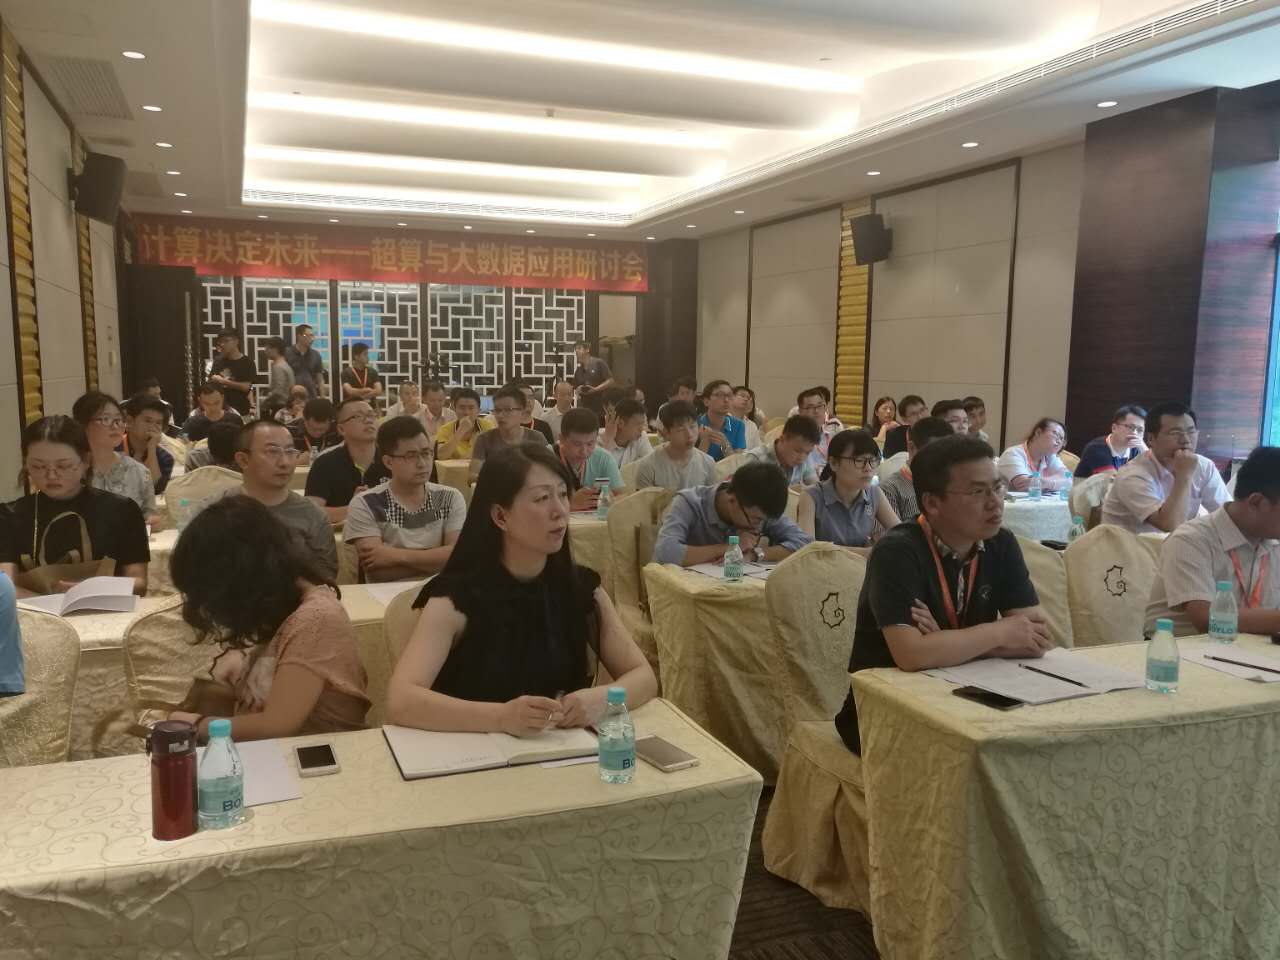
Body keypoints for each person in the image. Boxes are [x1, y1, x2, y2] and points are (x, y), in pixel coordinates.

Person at [385, 443, 656, 733]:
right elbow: (401, 701)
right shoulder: (456, 598)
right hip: (473, 749)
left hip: (564, 751)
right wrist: (501, 717)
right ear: (500, 516)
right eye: (542, 498)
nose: (560, 511)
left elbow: (643, 677)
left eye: (563, 494)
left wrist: (603, 699)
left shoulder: (580, 588)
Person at [832, 434, 1052, 754]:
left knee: (1036, 745)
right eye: (977, 491)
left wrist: (944, 641)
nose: (995, 502)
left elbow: (1037, 638)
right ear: (933, 503)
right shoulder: (897, 551)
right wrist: (1000, 632)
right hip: (883, 712)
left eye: (997, 487)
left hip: (971, 696)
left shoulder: (1000, 543)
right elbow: (911, 656)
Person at [167, 496, 369, 740]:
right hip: (273, 751)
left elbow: (277, 725)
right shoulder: (281, 608)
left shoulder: (316, 619)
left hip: (317, 751)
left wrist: (196, 725)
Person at [0, 416, 150, 597]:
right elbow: (6, 586)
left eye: (64, 466)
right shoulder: (9, 516)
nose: (51, 475)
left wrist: (87, 590)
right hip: (34, 611)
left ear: (86, 461)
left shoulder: (122, 510)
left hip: (106, 610)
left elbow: (139, 583)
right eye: (38, 466)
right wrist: (51, 602)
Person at [1144, 447, 1280, 637]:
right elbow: (1207, 619)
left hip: (1251, 649)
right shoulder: (1191, 540)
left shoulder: (1272, 541)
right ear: (1256, 502)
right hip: (1180, 650)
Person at [345, 417, 466, 582]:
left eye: (426, 453)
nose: (422, 463)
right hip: (385, 594)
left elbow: (458, 559)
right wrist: (438, 559)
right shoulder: (366, 503)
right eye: (411, 456)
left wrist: (394, 556)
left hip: (439, 591)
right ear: (388, 462)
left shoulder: (449, 497)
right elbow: (377, 571)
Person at [1101, 401, 1230, 535]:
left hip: (1174, 544)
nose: (1186, 440)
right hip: (1127, 546)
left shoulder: (1204, 466)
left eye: (1191, 431)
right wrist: (1184, 475)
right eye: (1175, 433)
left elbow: (1227, 516)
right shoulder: (1133, 475)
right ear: (1151, 439)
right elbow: (1170, 524)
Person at [232, 420, 338, 581]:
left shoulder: (313, 515)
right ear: (243, 460)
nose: (285, 462)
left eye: (290, 452)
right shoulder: (214, 513)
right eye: (272, 452)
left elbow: (326, 576)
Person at [654, 461, 810, 566]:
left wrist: (756, 553)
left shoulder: (760, 506)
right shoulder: (689, 502)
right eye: (756, 520)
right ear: (732, 500)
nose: (758, 525)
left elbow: (805, 543)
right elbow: (665, 552)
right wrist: (730, 547)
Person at [799, 430, 901, 551]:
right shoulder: (811, 496)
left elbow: (901, 534)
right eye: (859, 460)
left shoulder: (874, 493)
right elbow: (807, 550)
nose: (868, 468)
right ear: (834, 463)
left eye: (873, 460)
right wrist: (864, 553)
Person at [72, 391, 157, 519]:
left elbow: (149, 513)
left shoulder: (138, 471)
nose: (115, 426)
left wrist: (151, 520)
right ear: (83, 425)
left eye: (119, 420)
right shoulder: (69, 470)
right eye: (106, 419)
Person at [304, 398, 388, 524]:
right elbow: (310, 512)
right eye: (358, 416)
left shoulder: (392, 460)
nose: (368, 420)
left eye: (371, 415)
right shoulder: (325, 463)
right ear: (341, 429)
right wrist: (355, 509)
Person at [878, 416, 954, 524]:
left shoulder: (953, 486)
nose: (941, 459)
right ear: (912, 447)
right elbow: (889, 534)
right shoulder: (889, 489)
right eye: (934, 452)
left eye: (947, 453)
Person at [469, 384, 549, 482]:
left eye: (508, 410)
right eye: (497, 410)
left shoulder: (537, 438)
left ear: (522, 412)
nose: (500, 415)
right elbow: (472, 475)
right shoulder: (484, 439)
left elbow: (549, 473)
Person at [633, 401, 718, 492]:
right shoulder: (649, 465)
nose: (689, 434)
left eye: (692, 426)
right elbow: (643, 500)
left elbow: (710, 498)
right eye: (680, 429)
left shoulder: (708, 462)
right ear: (666, 433)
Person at [556, 408, 626, 511]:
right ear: (562, 439)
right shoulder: (545, 460)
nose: (584, 451)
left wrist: (611, 501)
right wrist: (569, 503)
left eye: (590, 444)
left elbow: (623, 496)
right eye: (577, 444)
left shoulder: (603, 458)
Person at [998, 418, 1071, 493]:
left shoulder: (1050, 457)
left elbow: (1069, 480)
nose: (1059, 441)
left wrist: (1044, 482)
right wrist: (1056, 482)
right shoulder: (1013, 453)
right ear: (1038, 432)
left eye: (1062, 439)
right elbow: (1024, 486)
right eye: (1056, 434)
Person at [745, 414, 820, 487]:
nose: (801, 458)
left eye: (807, 453)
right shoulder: (756, 460)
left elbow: (815, 487)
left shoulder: (805, 457)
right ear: (782, 439)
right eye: (797, 451)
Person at [1075, 404, 1148, 478]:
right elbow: (1113, 480)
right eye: (1130, 427)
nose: (1135, 433)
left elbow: (1153, 475)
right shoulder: (1096, 448)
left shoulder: (1136, 449)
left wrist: (1143, 448)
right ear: (1114, 428)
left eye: (1140, 430)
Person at [123, 394, 175, 494]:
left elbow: (155, 489)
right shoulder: (112, 447)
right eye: (148, 421)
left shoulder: (165, 458)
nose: (153, 427)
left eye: (158, 423)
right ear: (129, 422)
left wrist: (151, 450)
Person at [207, 329, 257, 417]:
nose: (222, 344)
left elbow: (246, 387)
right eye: (220, 342)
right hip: (220, 408)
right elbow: (211, 382)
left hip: (240, 409)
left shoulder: (247, 362)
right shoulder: (218, 361)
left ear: (236, 341)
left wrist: (223, 381)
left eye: (226, 341)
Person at [434, 388, 493, 461]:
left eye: (471, 408)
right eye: (462, 407)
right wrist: (460, 431)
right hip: (454, 468)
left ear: (478, 410)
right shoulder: (445, 429)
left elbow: (495, 455)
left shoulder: (487, 427)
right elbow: (441, 456)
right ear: (454, 409)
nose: (466, 412)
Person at [696, 380, 748, 462]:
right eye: (720, 395)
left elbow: (737, 463)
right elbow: (691, 465)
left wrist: (725, 444)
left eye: (729, 395)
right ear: (706, 401)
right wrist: (704, 442)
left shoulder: (738, 425)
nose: (726, 400)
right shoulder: (694, 424)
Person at [600, 398, 653, 468]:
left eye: (642, 424)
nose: (641, 429)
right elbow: (599, 471)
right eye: (638, 424)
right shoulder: (595, 440)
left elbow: (651, 465)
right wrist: (609, 440)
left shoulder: (641, 437)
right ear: (621, 423)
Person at [571, 340, 614, 415]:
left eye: (579, 348)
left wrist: (595, 389)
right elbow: (576, 389)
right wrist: (578, 389)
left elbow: (610, 380)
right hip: (584, 406)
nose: (577, 351)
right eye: (575, 349)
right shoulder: (578, 370)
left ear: (587, 349)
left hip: (600, 405)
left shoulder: (599, 363)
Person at [285, 323, 327, 398]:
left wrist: (322, 397)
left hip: (311, 396)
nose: (312, 339)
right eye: (309, 336)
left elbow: (320, 379)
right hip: (291, 397)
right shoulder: (287, 353)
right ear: (299, 336)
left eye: (313, 336)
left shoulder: (315, 355)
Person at [291, 397, 339, 462]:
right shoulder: (289, 430)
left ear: (331, 421)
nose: (318, 432)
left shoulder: (338, 429)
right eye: (313, 429)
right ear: (304, 419)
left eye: (322, 429)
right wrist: (297, 462)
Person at [341, 342, 384, 406]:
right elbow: (350, 391)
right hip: (352, 406)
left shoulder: (372, 371)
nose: (367, 357)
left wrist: (362, 396)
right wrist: (365, 390)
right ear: (356, 357)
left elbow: (378, 390)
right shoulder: (346, 372)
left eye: (367, 354)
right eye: (365, 354)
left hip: (370, 406)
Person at [263, 336, 295, 408]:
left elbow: (278, 391)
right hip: (287, 404)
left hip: (280, 405)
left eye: (267, 348)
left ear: (275, 349)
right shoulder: (285, 364)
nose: (265, 351)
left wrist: (266, 401)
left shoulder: (278, 366)